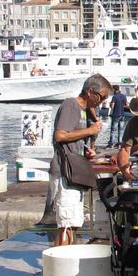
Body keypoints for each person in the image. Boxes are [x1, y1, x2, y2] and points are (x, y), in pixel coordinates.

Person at [49, 74, 111, 246]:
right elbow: (60, 135)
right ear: (90, 92)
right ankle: (61, 262)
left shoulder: (83, 111)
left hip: (74, 172)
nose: (102, 101)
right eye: (102, 97)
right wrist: (89, 131)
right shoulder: (71, 105)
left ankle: (65, 257)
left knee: (73, 222)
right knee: (66, 223)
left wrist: (86, 150)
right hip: (64, 171)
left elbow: (73, 137)